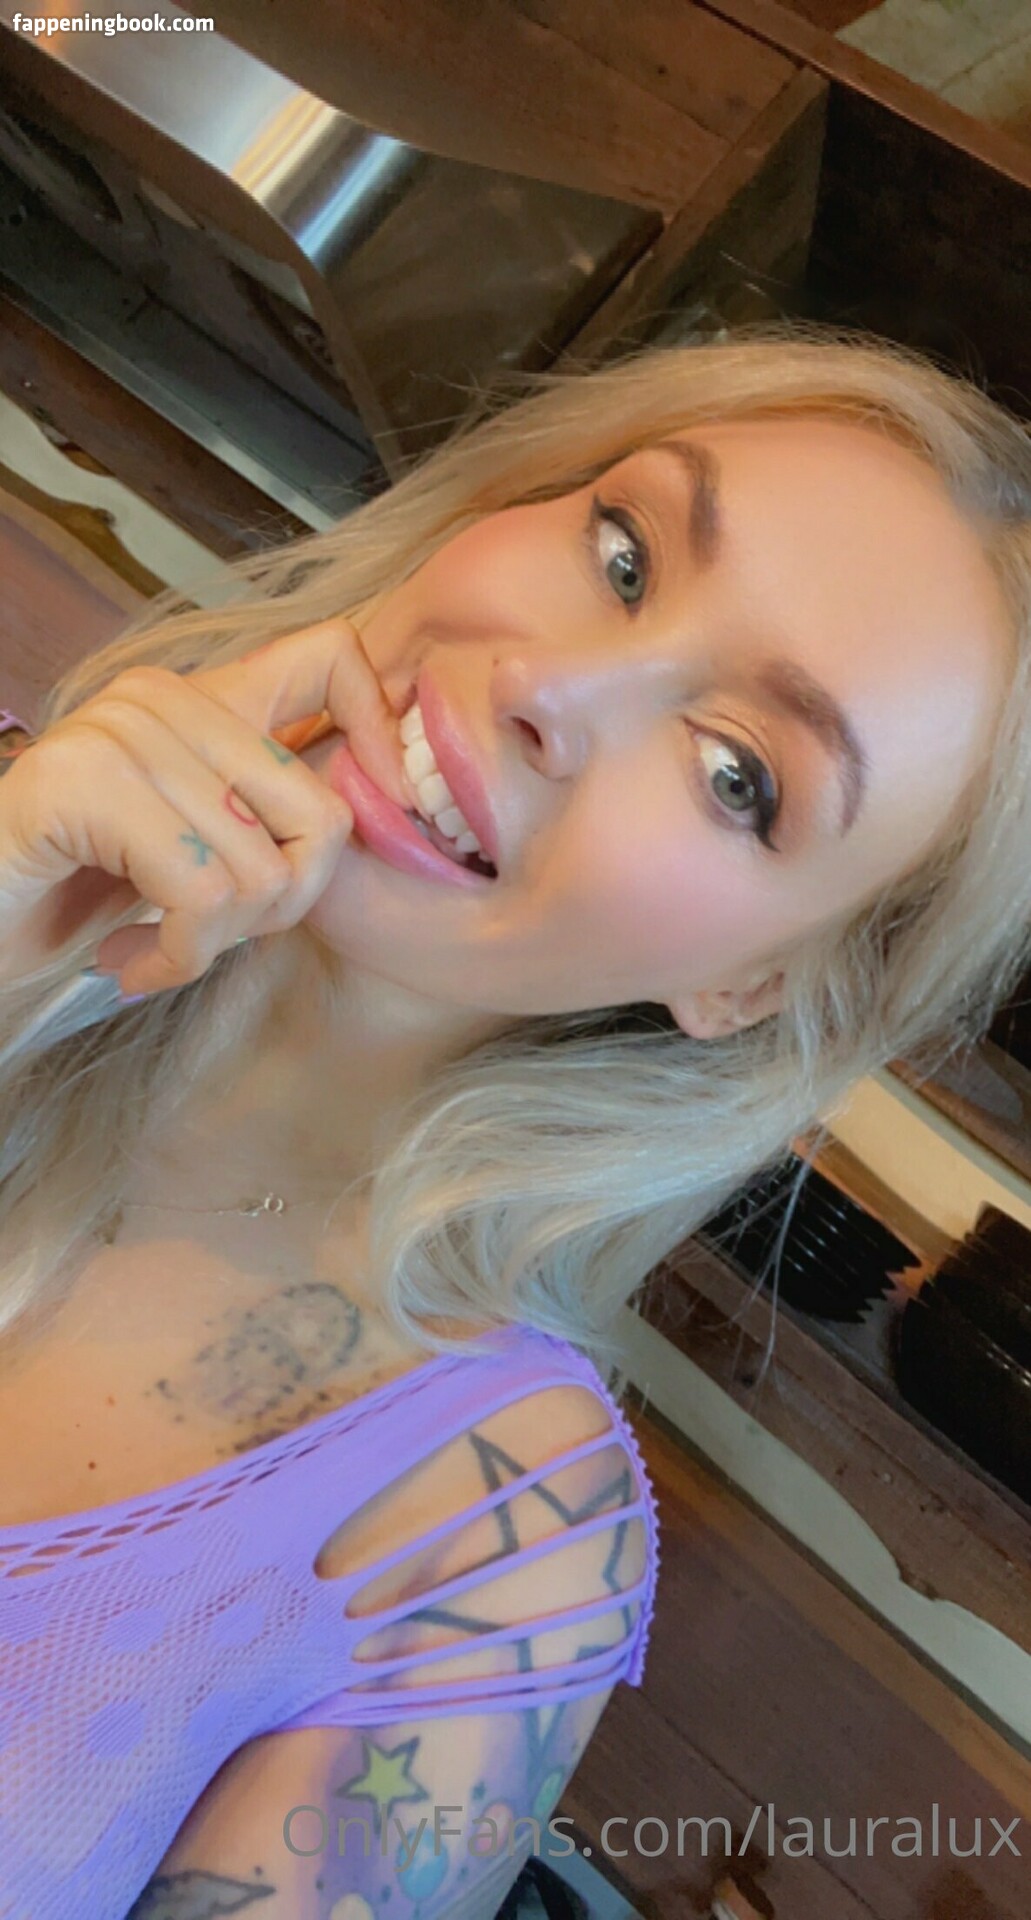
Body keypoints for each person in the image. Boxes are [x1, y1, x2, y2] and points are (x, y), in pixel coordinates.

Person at [1, 319, 1030, 1920]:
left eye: (740, 775)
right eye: (623, 555)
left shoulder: (493, 1548)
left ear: (753, 985)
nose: (549, 683)